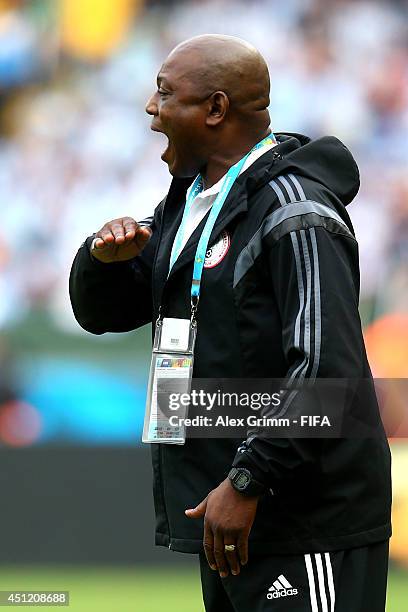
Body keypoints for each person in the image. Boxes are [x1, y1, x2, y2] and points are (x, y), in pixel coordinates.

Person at [69, 35, 391, 612]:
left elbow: (324, 370)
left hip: (302, 524)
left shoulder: (298, 213)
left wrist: (249, 480)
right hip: (228, 520)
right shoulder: (189, 205)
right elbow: (103, 315)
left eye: (165, 94)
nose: (150, 109)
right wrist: (100, 263)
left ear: (216, 109)